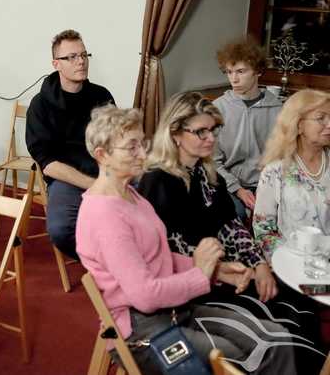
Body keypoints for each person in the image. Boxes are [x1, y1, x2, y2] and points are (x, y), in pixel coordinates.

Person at [76, 104, 296, 375]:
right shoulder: (105, 215)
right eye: (131, 147)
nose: (143, 153)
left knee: (277, 340)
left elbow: (160, 258)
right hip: (142, 331)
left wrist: (218, 272)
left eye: (142, 143)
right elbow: (144, 296)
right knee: (240, 362)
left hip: (173, 310)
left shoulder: (131, 196)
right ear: (102, 155)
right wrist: (202, 274)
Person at [138, 92, 324, 372]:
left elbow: (231, 227)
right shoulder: (157, 181)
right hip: (192, 290)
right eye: (200, 132)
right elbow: (168, 249)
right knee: (286, 335)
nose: (211, 139)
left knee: (299, 309)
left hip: (226, 274)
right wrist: (222, 269)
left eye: (213, 130)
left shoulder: (207, 174)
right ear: (174, 133)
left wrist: (259, 264)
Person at [26, 29, 114, 259]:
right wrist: (93, 185)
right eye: (72, 57)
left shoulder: (101, 96)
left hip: (107, 171)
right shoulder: (40, 106)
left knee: (155, 196)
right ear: (56, 64)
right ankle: (104, 260)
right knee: (60, 230)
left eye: (84, 55)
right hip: (67, 179)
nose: (81, 62)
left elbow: (117, 140)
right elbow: (48, 164)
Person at [254, 89, 330, 259]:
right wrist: (285, 262)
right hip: (292, 263)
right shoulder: (275, 171)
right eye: (321, 118)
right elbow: (263, 230)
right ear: (299, 124)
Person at [213, 38, 281, 220]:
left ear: (258, 71)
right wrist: (237, 189)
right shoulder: (216, 109)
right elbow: (211, 161)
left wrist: (266, 188)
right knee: (236, 214)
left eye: (241, 71)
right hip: (226, 184)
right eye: (229, 72)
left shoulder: (278, 109)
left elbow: (283, 156)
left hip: (268, 183)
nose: (234, 79)